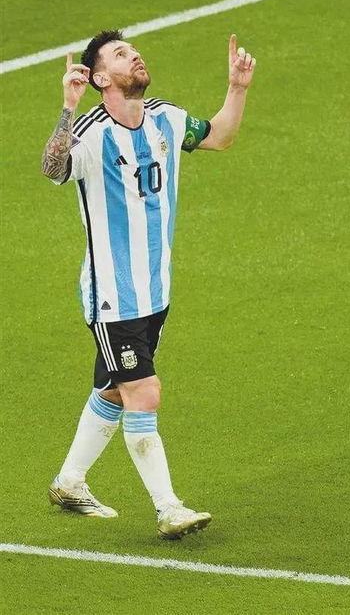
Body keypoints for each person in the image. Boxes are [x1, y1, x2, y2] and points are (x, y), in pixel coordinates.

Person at [41, 30, 256, 539]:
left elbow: (219, 136)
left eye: (132, 50)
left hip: (155, 290)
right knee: (144, 391)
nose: (134, 55)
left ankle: (69, 482)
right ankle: (169, 508)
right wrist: (68, 106)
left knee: (115, 391)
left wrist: (237, 88)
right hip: (113, 296)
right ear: (101, 78)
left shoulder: (166, 118)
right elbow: (53, 168)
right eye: (121, 54)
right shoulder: (91, 133)